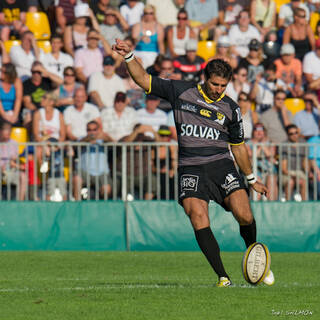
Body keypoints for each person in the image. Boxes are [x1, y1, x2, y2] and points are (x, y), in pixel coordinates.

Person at [112, 38, 273, 287]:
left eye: (223, 85)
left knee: (244, 214)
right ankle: (223, 277)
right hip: (191, 167)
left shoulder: (231, 108)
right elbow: (143, 79)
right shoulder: (180, 90)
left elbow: (238, 146)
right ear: (204, 78)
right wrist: (129, 56)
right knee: (197, 216)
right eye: (214, 84)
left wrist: (251, 179)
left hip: (222, 165)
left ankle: (255, 254)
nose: (218, 89)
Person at [73, 120, 113, 200]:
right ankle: (77, 206)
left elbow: (114, 144)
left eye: (94, 130)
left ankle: (102, 207)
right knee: (77, 178)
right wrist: (89, 139)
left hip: (102, 173)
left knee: (107, 189)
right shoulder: (82, 138)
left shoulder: (103, 139)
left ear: (99, 129)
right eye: (89, 130)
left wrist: (106, 137)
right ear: (86, 130)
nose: (92, 132)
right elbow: (78, 145)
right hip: (84, 172)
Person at [22, 61, 62, 128]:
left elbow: (61, 82)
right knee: (28, 114)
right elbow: (27, 103)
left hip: (48, 108)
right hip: (34, 109)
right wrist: (39, 112)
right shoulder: (26, 84)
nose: (36, 74)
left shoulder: (47, 81)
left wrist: (45, 72)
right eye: (34, 72)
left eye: (39, 72)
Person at [246, 123, 278, 200]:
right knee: (257, 181)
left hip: (268, 168)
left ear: (264, 132)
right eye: (256, 130)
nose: (259, 132)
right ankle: (256, 204)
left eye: (261, 130)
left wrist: (262, 146)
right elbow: (252, 156)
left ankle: (272, 205)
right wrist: (260, 147)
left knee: (272, 181)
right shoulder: (247, 144)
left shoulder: (271, 142)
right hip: (254, 168)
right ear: (253, 132)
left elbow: (271, 154)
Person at [0, 121, 27, 200]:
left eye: (9, 130)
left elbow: (14, 159)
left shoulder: (13, 143)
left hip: (9, 170)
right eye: (6, 130)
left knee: (23, 176)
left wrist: (15, 165)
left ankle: (20, 202)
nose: (8, 133)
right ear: (1, 131)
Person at [281, 124, 308, 201]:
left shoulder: (303, 143)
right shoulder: (284, 145)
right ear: (287, 135)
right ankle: (287, 205)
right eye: (291, 133)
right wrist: (295, 177)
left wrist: (309, 172)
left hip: (300, 172)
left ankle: (304, 205)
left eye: (296, 132)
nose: (294, 135)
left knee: (303, 181)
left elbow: (305, 162)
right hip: (287, 173)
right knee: (291, 182)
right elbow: (284, 169)